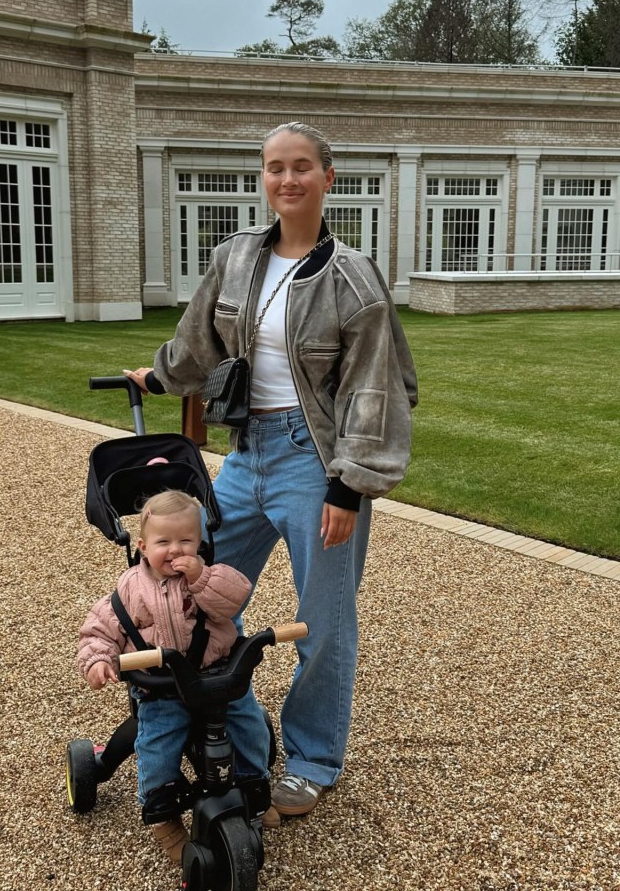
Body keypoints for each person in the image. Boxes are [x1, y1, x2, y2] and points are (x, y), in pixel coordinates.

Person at [125, 121, 418, 819]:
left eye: (301, 168)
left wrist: (348, 485)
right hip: (246, 455)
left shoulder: (354, 279)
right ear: (264, 179)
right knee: (191, 587)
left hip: (315, 465)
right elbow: (197, 342)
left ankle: (314, 759)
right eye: (274, 168)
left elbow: (376, 390)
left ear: (328, 178)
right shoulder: (235, 257)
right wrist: (158, 378)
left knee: (322, 621)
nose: (287, 180)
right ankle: (205, 720)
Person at [77, 489, 275, 862]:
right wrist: (99, 661)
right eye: (163, 542)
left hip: (217, 676)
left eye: (186, 541)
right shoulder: (131, 589)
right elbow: (100, 630)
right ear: (142, 545)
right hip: (163, 686)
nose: (175, 550)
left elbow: (235, 598)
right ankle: (163, 811)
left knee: (249, 723)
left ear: (200, 543)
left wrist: (202, 578)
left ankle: (255, 789)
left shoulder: (210, 576)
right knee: (158, 741)